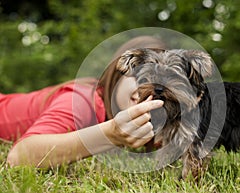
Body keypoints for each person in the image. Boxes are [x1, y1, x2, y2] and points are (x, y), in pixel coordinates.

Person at [0, 36, 166, 168]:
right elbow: (18, 158)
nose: (147, 90)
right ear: (118, 71)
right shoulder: (83, 99)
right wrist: (110, 134)